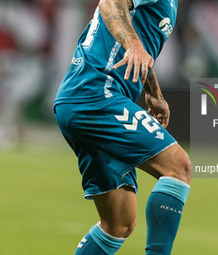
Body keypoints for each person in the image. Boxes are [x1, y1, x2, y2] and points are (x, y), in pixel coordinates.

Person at [54, 0, 191, 254]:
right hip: (95, 94)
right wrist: (133, 44)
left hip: (80, 99)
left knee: (118, 224)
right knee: (177, 167)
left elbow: (139, 40)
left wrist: (153, 90)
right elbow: (110, 3)